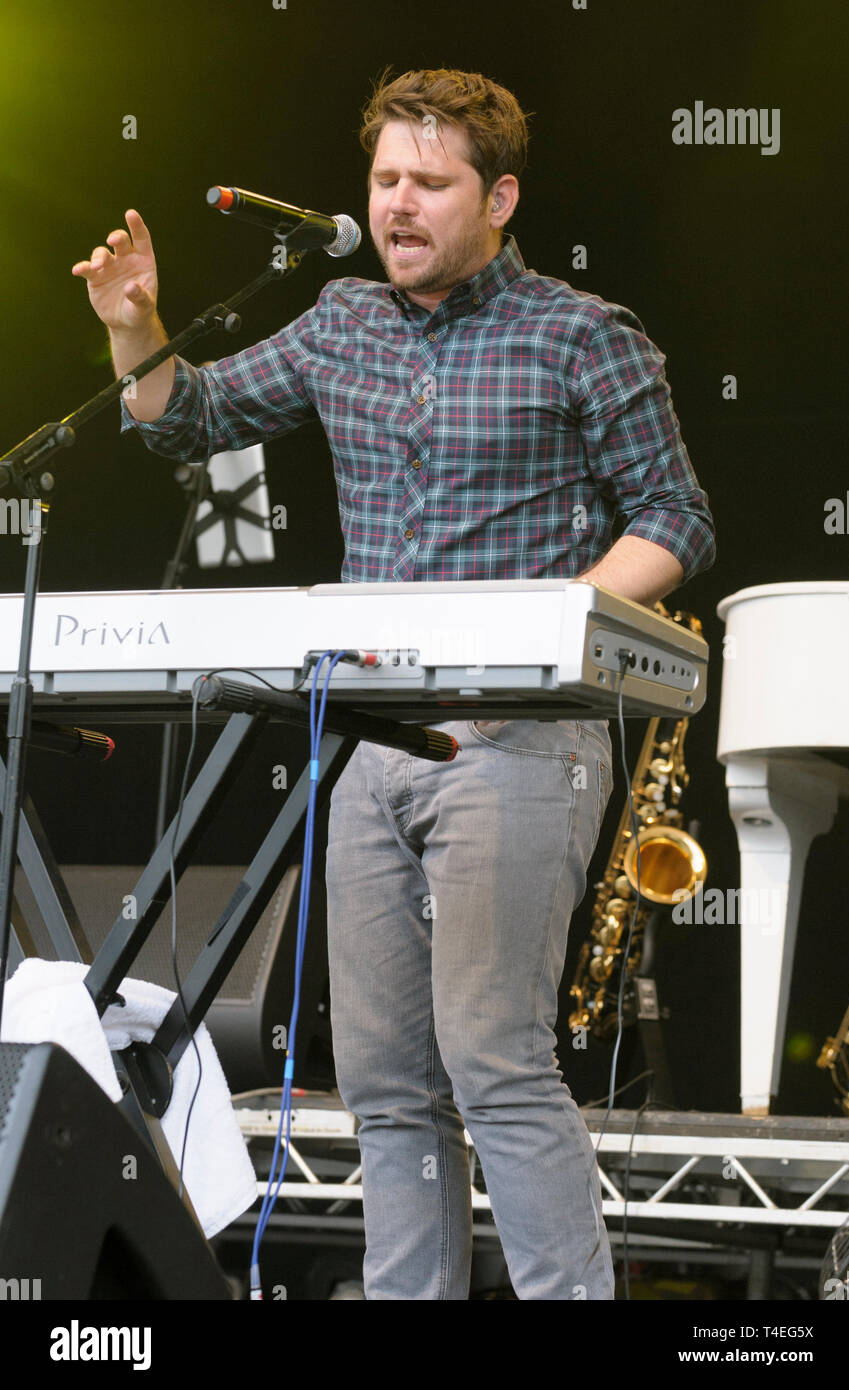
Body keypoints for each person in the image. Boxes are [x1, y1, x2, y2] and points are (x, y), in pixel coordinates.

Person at [72, 67, 715, 1300]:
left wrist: (551, 621)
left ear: (500, 198)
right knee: (380, 1075)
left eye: (430, 182)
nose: (399, 205)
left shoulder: (581, 332)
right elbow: (180, 417)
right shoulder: (338, 322)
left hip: (518, 737)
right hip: (366, 740)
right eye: (383, 181)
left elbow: (676, 517)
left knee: (493, 1056)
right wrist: (133, 326)